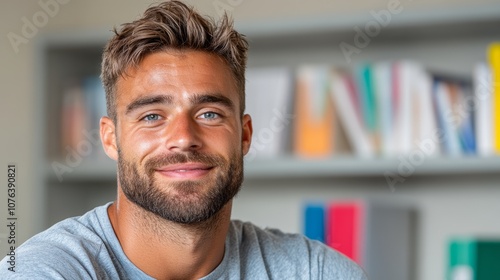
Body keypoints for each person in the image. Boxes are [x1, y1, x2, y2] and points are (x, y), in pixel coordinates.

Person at [0, 1, 367, 279]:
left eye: (209, 113)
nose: (183, 139)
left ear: (244, 135)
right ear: (111, 140)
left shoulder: (313, 271)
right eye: (152, 116)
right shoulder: (46, 270)